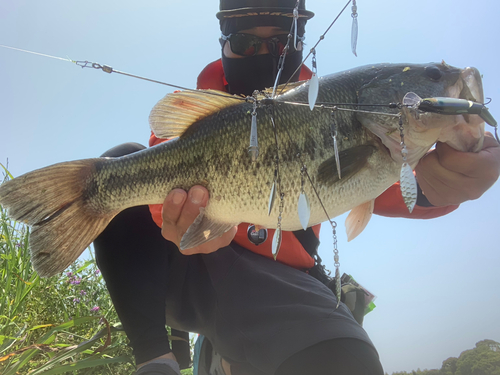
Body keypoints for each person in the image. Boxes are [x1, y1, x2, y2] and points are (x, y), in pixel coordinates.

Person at [93, 1, 500, 374]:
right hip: (189, 272)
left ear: (300, 41)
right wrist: (186, 223)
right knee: (119, 168)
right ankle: (156, 359)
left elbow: (397, 191)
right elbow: (163, 189)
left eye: (282, 42)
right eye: (244, 41)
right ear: (223, 42)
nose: (263, 52)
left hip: (283, 280)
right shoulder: (196, 113)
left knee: (346, 359)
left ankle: (239, 353)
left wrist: (448, 184)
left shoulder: (346, 116)